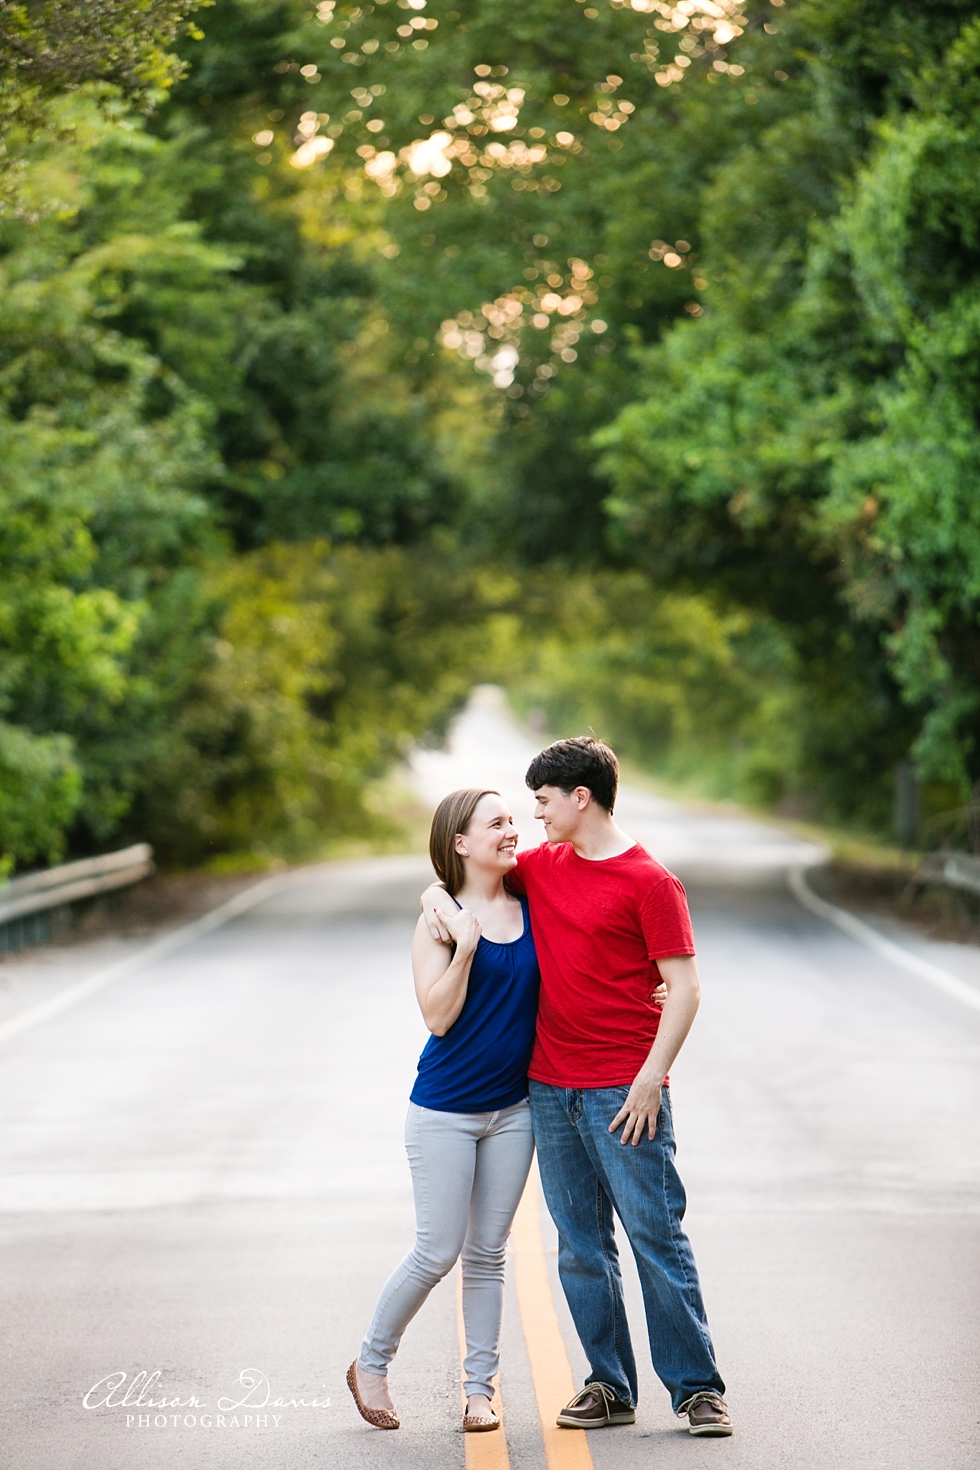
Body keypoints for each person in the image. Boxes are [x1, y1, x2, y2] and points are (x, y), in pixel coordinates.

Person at [423, 736, 732, 1437]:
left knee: (655, 1236)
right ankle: (608, 1385)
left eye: (541, 802)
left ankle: (698, 1390)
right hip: (548, 1088)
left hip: (624, 1091)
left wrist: (652, 1078)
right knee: (581, 1245)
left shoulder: (651, 882)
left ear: (580, 797)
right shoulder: (543, 868)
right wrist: (433, 899)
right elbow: (458, 875)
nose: (533, 818)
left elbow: (684, 988)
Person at [347, 787, 540, 1434]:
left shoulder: (534, 903)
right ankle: (371, 1363)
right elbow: (437, 1016)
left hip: (514, 1111)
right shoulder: (438, 919)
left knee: (489, 1254)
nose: (512, 829)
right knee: (437, 1251)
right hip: (445, 1113)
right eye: (497, 823)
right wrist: (464, 943)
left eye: (514, 819)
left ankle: (479, 1393)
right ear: (460, 842)